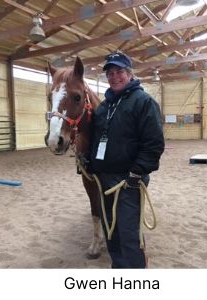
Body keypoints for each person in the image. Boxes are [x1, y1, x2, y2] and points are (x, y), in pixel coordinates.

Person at [89, 51, 165, 268]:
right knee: (111, 230)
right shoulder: (105, 106)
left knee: (128, 233)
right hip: (105, 180)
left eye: (119, 71)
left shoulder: (143, 102)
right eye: (110, 73)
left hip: (129, 180)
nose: (114, 77)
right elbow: (96, 140)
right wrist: (90, 163)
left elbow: (153, 144)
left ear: (130, 74)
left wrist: (137, 173)